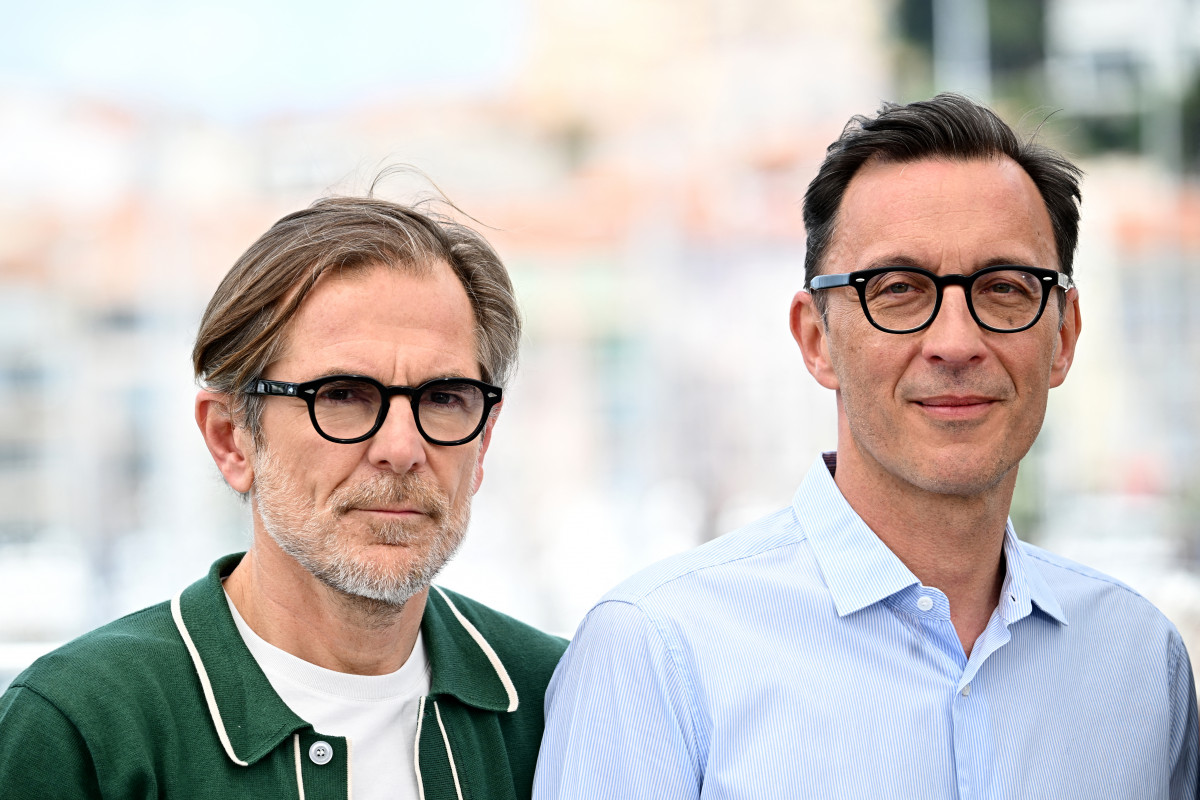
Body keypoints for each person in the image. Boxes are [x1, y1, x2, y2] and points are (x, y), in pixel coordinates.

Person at [533, 94, 1200, 799]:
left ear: (1062, 338)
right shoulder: (658, 656)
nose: (955, 343)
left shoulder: (1140, 664)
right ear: (816, 340)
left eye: (1004, 288)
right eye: (898, 289)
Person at [0, 194, 567, 799]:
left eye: (444, 398)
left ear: (483, 441)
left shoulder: (558, 698)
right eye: (342, 394)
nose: (402, 448)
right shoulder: (80, 730)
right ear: (231, 439)